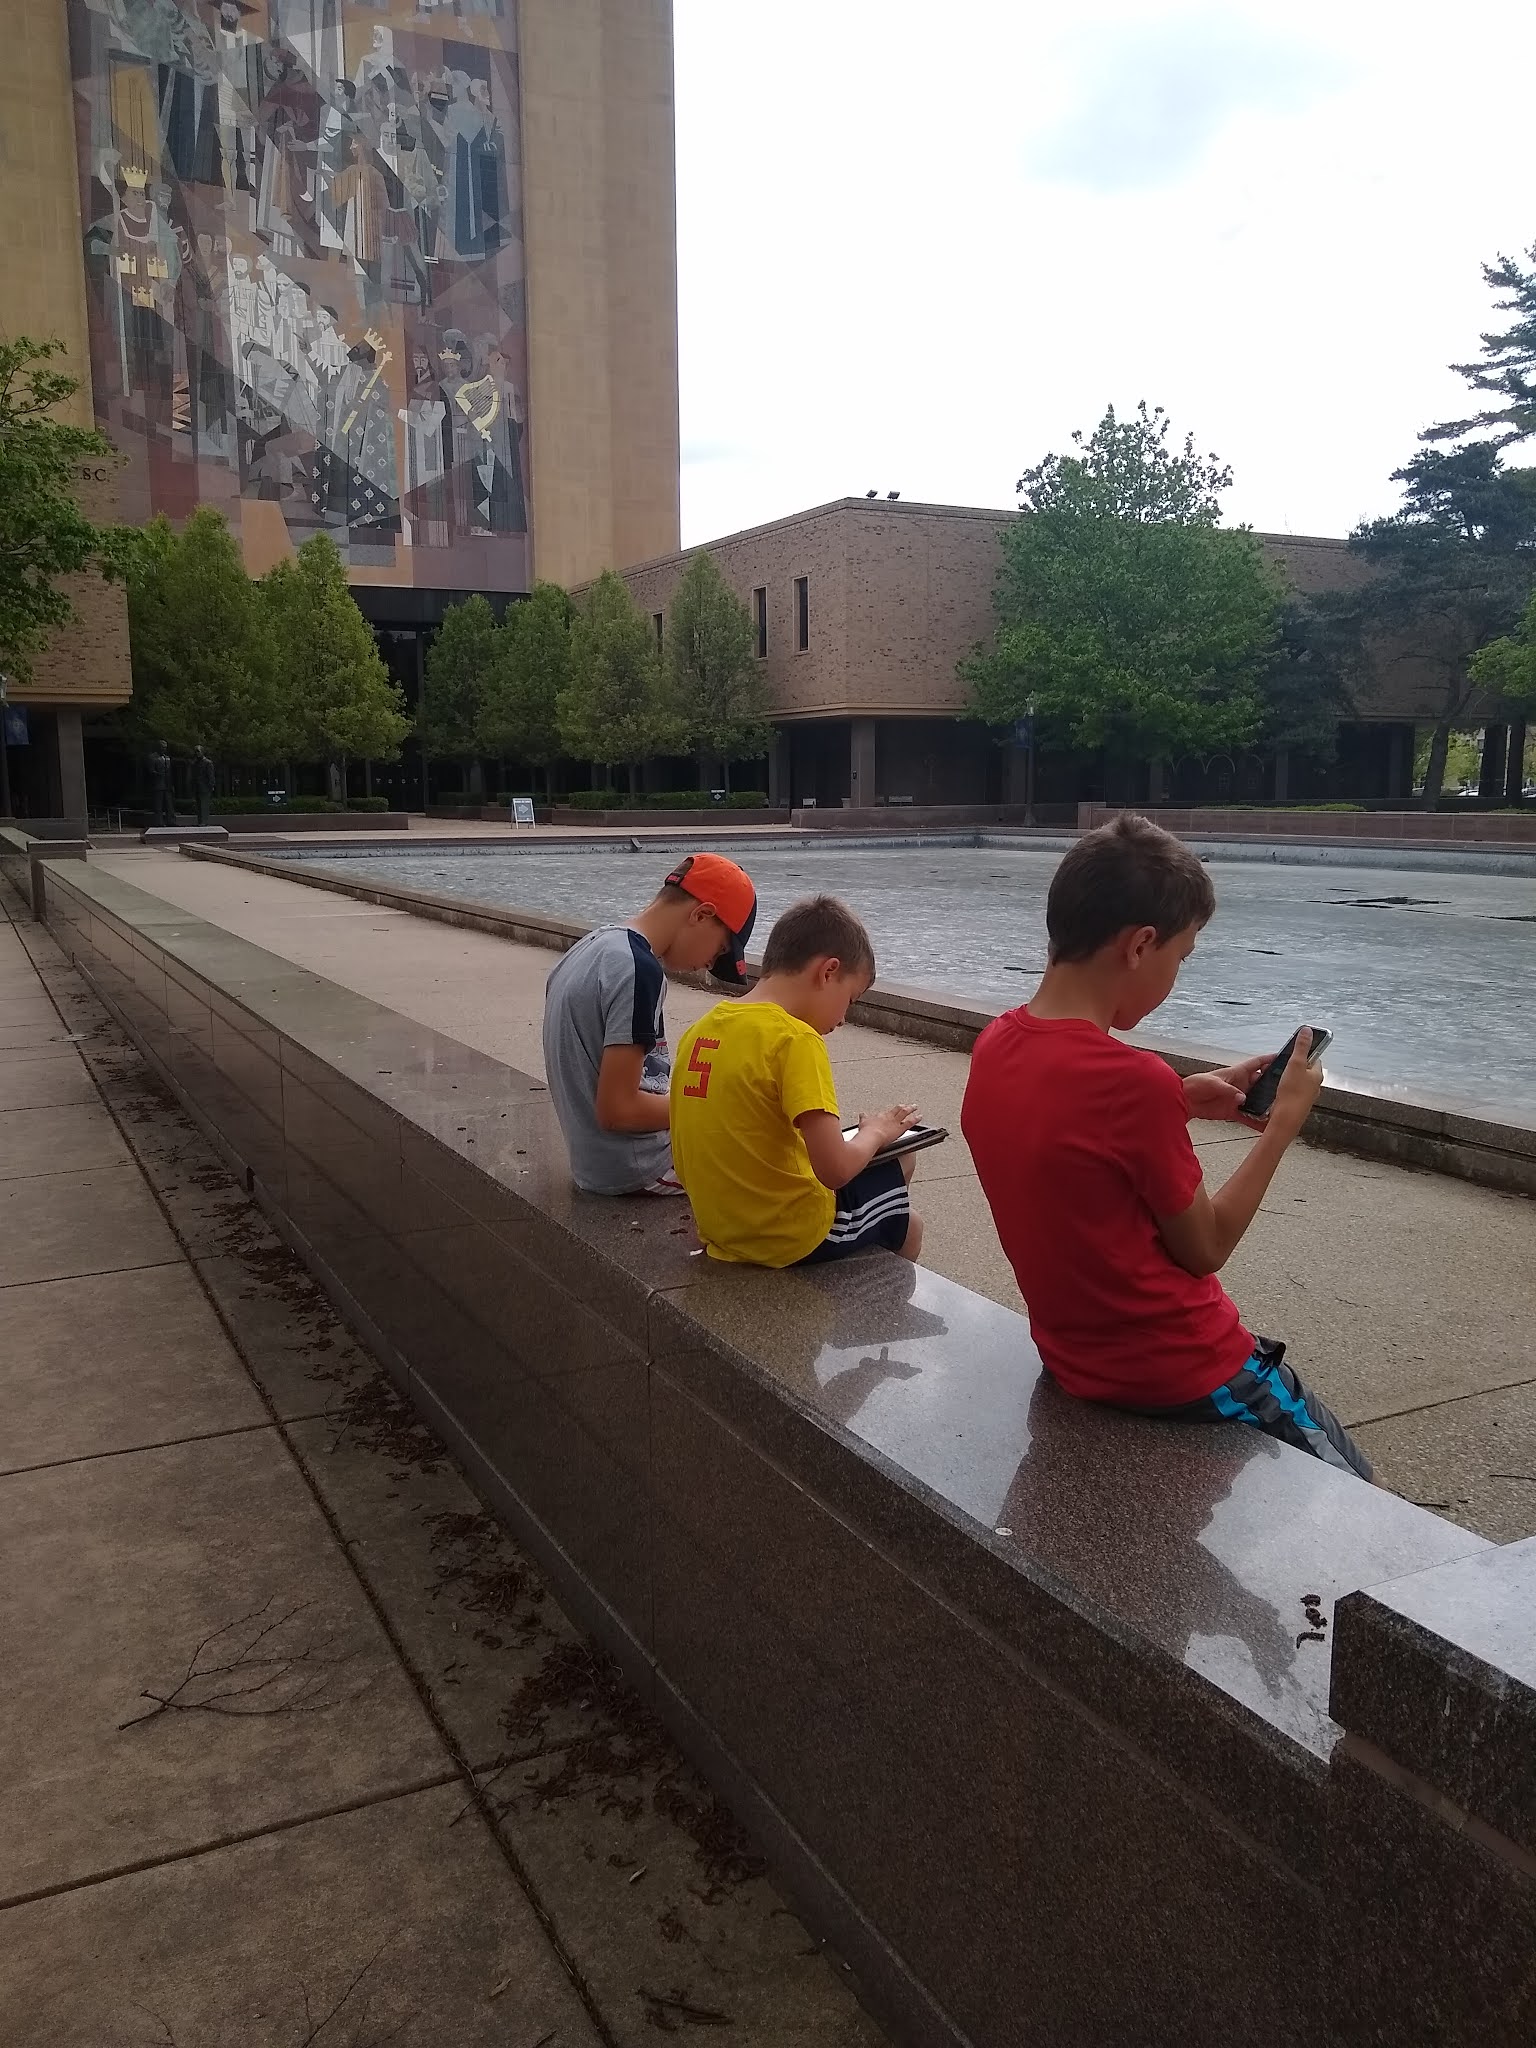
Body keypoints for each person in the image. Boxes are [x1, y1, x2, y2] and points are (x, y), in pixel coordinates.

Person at [961, 811, 1371, 1479]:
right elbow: (1205, 1248)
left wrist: (1180, 1098)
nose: (1176, 974)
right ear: (1140, 945)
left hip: (1076, 1359)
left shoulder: (997, 1044)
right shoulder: (1132, 1082)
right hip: (1184, 1369)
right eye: (1180, 957)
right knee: (1362, 1494)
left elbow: (1065, 1131)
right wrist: (1283, 1126)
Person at [670, 894, 924, 1267]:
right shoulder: (796, 1039)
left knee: (887, 1185)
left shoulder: (701, 1031)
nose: (843, 1019)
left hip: (720, 1226)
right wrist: (876, 1132)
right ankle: (860, 1288)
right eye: (850, 999)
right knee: (907, 1199)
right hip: (788, 1233)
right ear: (828, 972)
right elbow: (835, 1170)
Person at [542, 853, 757, 1197]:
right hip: (640, 1165)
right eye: (718, 951)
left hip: (593, 1159)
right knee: (776, 1160)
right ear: (702, 914)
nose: (707, 965)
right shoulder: (638, 969)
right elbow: (618, 1112)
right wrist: (710, 1106)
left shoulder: (590, 947)